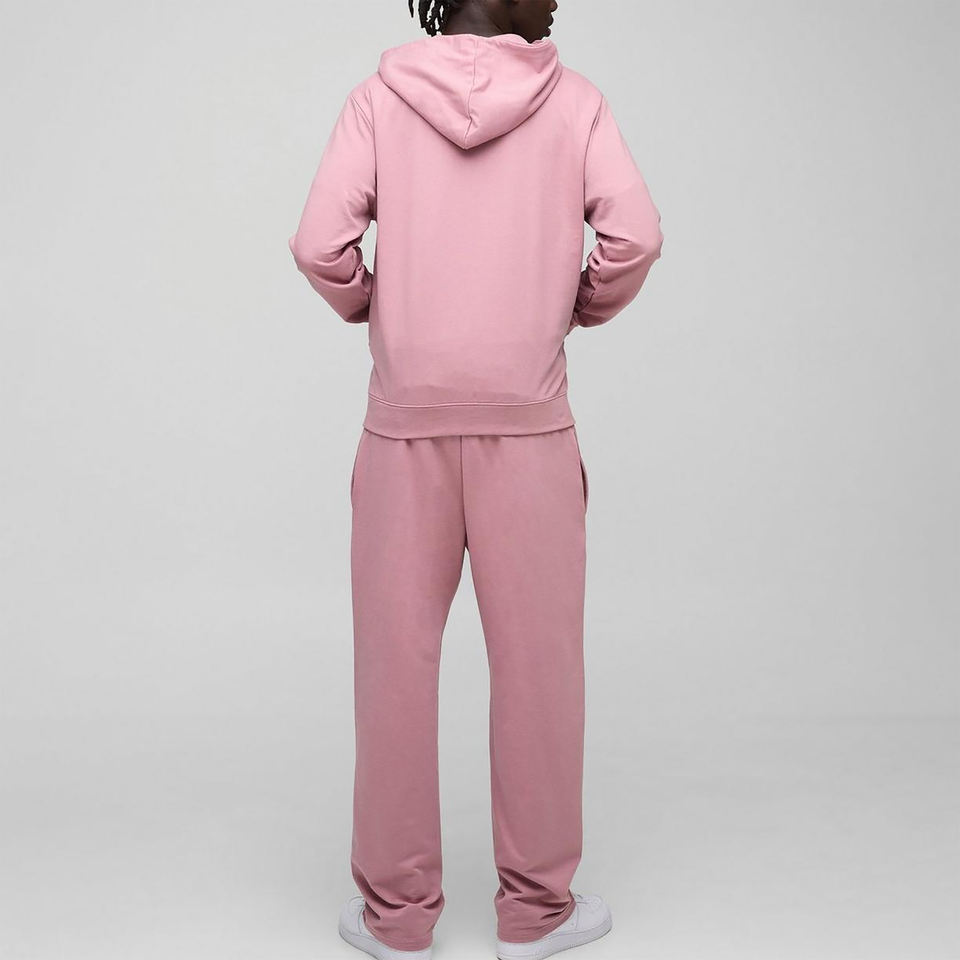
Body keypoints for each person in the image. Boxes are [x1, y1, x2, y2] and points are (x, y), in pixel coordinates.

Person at [287, 1, 663, 957]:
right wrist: (568, 308)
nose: (556, 3)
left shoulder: (377, 100)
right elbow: (636, 237)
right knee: (540, 668)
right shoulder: (574, 102)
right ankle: (535, 914)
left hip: (404, 426)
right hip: (527, 427)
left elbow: (318, 244)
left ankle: (396, 918)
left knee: (394, 667)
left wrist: (380, 310)